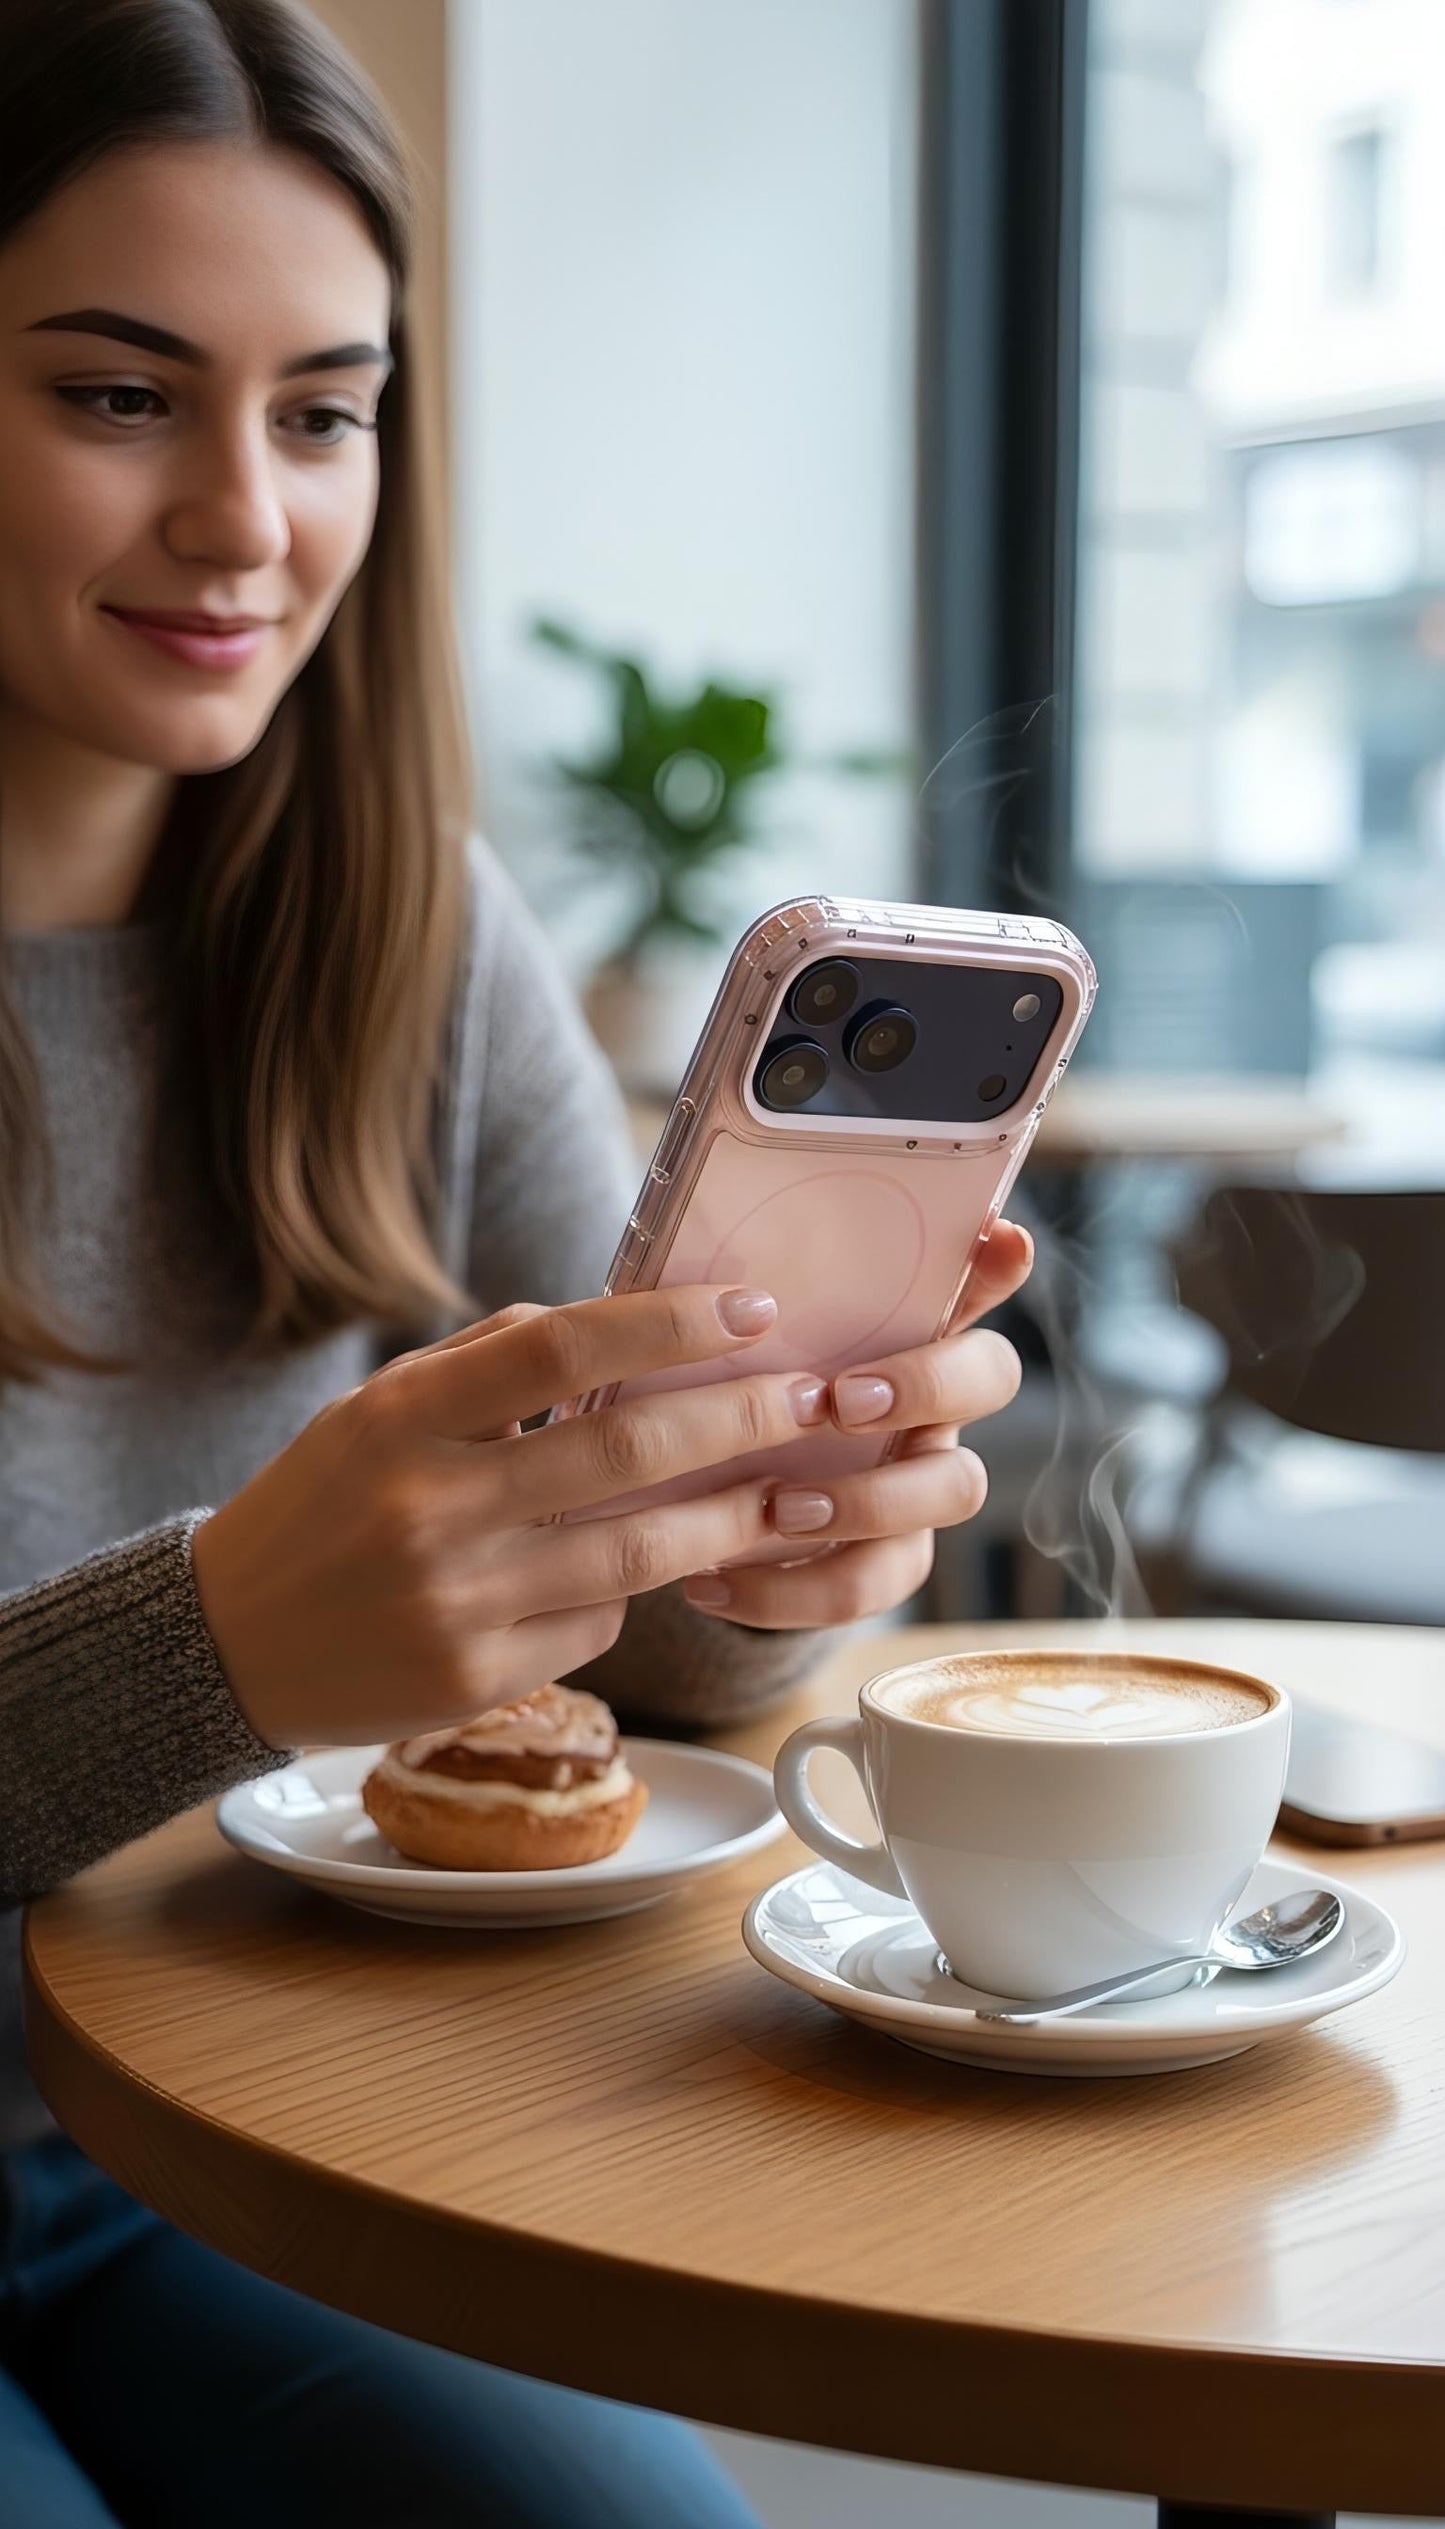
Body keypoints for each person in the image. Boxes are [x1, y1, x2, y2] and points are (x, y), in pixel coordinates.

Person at [0, 2, 1030, 2520]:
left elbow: (652, 1665)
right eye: (119, 396)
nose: (251, 519)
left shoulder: (404, 929)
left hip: (221, 2129)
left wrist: (785, 1538)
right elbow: (247, 1656)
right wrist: (214, 1640)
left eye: (325, 409)